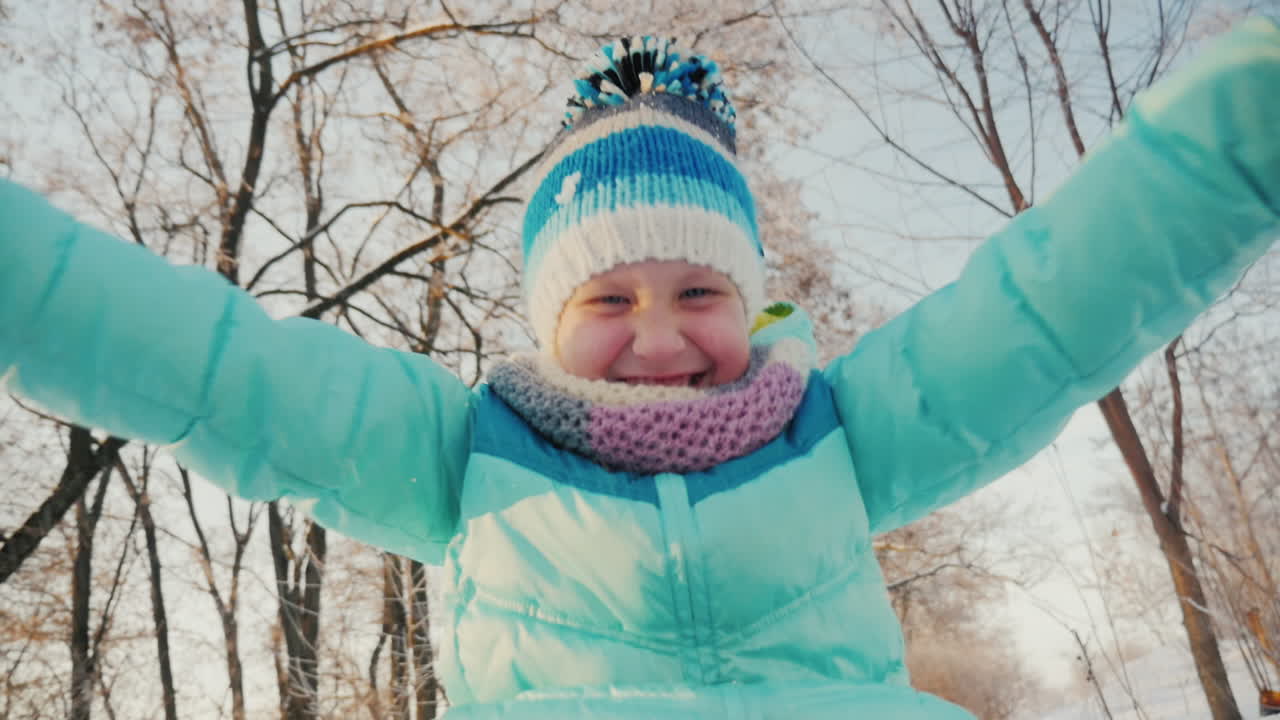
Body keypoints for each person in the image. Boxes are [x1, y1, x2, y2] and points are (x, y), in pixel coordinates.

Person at [1, 23, 1277, 720]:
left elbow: (1056, 297)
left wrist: (1251, 111)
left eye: (700, 293)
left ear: (752, 295)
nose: (661, 341)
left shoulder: (840, 429)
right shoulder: (457, 450)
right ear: (546, 315)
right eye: (608, 298)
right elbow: (218, 366)